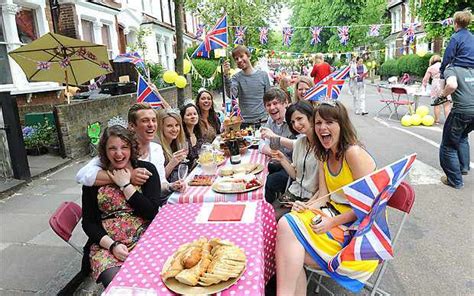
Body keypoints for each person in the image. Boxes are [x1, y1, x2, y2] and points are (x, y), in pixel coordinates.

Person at [275, 100, 378, 295]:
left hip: (358, 235)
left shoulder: (353, 153)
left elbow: (369, 207)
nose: (322, 127)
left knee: (287, 244)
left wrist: (332, 222)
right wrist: (307, 206)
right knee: (289, 243)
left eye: (329, 122)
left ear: (342, 125)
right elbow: (323, 196)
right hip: (332, 216)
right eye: (319, 122)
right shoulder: (325, 154)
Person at [81, 125, 164, 287]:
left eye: (124, 147)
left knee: (157, 280)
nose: (119, 154)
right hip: (107, 245)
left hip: (146, 238)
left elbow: (152, 212)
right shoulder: (94, 179)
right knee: (119, 286)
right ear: (104, 151)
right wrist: (113, 246)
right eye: (112, 148)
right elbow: (89, 223)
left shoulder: (146, 170)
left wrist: (126, 185)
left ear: (132, 148)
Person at [75, 103, 185, 196]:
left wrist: (171, 186)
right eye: (145, 121)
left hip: (152, 206)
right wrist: (128, 176)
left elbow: (160, 183)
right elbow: (82, 175)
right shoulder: (122, 151)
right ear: (132, 126)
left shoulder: (156, 149)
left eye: (153, 120)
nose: (151, 125)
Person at [268, 101, 319, 220]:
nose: (296, 124)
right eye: (292, 122)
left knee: (275, 219)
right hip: (294, 193)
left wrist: (308, 204)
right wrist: (282, 159)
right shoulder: (300, 143)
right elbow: (296, 176)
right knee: (266, 214)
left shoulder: (323, 146)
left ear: (311, 117)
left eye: (299, 118)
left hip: (311, 199)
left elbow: (324, 188)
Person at [260, 88, 296, 205]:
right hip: (279, 162)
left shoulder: (293, 120)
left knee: (269, 181)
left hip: (294, 168)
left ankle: (267, 209)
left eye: (275, 103)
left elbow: (301, 146)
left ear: (285, 103)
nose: (271, 108)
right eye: (268, 105)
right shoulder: (271, 120)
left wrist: (274, 137)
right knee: (259, 173)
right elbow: (265, 144)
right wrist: (271, 149)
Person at [223, 45, 271, 129]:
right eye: (236, 59)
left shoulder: (263, 75)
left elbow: (269, 98)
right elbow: (232, 95)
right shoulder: (236, 78)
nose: (239, 60)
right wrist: (226, 76)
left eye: (241, 56)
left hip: (262, 121)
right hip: (244, 123)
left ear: (248, 55)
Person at [438, 10, 474, 81]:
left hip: (459, 67)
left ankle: (443, 92)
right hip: (472, 68)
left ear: (456, 24)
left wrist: (442, 70)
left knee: (445, 80)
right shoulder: (472, 37)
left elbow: (448, 56)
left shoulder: (455, 37)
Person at [156, 109, 189, 183]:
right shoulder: (157, 148)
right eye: (169, 126)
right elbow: (157, 180)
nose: (175, 129)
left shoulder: (176, 143)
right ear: (161, 127)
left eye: (177, 125)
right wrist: (172, 163)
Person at [422, 55, 451, 124]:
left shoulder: (431, 68)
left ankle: (437, 120)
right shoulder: (446, 66)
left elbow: (425, 79)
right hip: (444, 83)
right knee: (447, 104)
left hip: (435, 84)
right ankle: (448, 120)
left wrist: (424, 87)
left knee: (437, 103)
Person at [180, 103, 204, 167]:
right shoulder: (181, 137)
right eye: (188, 115)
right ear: (183, 118)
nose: (193, 116)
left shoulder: (198, 133)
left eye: (195, 114)